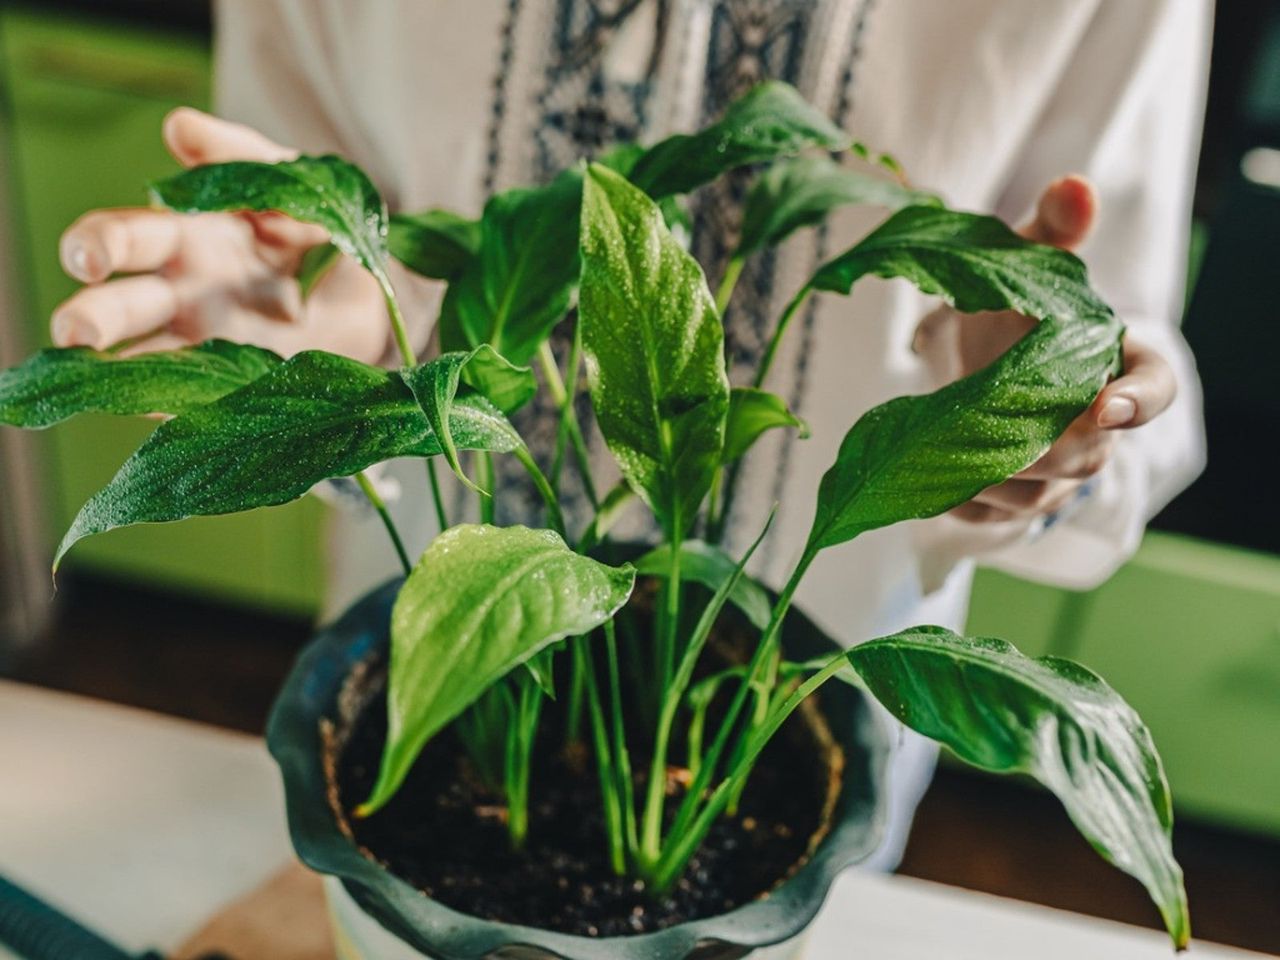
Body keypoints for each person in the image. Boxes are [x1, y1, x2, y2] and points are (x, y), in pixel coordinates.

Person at [49, 0, 1209, 870]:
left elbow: (1109, 320)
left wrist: (1019, 404)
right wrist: (313, 316)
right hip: (429, 648)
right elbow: (306, 177)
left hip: (795, 718)